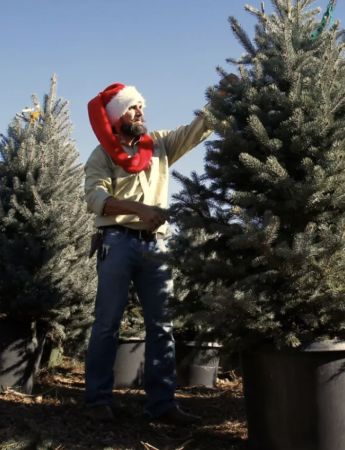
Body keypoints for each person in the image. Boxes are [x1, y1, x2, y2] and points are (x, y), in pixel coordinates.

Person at [82, 78, 233, 425]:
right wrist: (139, 210)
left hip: (156, 247)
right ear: (117, 114)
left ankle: (163, 405)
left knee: (162, 326)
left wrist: (221, 96)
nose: (141, 112)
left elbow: (197, 130)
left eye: (141, 107)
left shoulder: (160, 144)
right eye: (133, 107)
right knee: (107, 324)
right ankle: (98, 401)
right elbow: (94, 198)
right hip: (116, 243)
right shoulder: (102, 154)